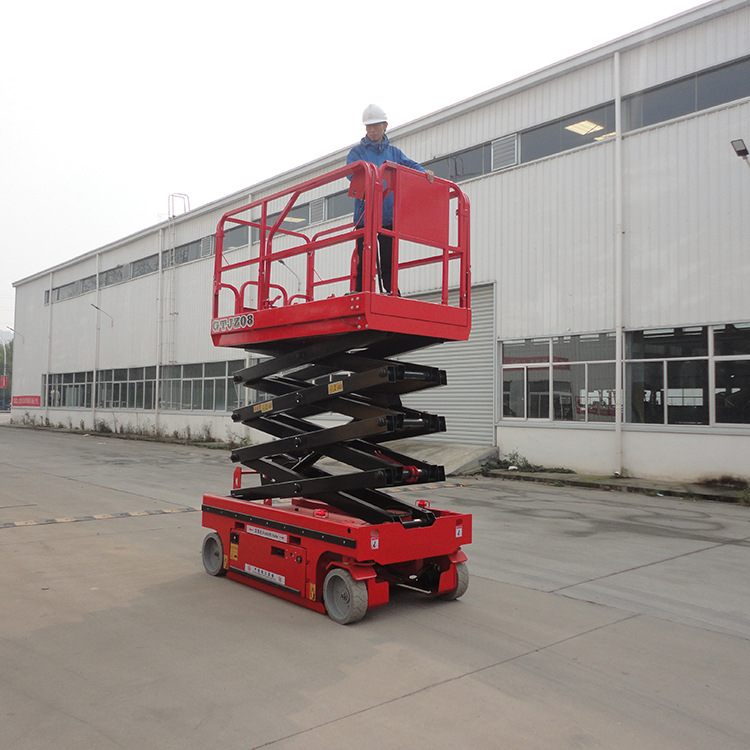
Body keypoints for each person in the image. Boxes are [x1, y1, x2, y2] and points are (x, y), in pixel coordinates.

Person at [346, 104, 434, 293]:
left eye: (375, 126)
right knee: (365, 256)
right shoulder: (356, 153)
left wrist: (424, 172)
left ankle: (392, 291)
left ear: (385, 126)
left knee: (388, 258)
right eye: (368, 126)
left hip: (387, 216)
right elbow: (352, 174)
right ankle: (361, 291)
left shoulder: (394, 153)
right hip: (365, 217)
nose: (372, 130)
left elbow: (410, 166)